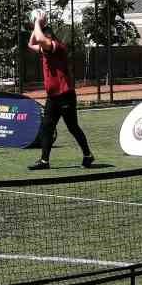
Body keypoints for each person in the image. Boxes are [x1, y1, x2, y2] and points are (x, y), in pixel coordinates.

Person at [28, 11, 96, 169]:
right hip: (53, 96)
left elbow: (39, 39)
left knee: (72, 127)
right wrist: (37, 25)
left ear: (50, 38)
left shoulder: (56, 47)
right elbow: (31, 43)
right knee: (47, 126)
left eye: (46, 36)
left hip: (65, 95)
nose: (43, 39)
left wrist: (38, 22)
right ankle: (44, 161)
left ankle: (88, 155)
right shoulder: (45, 49)